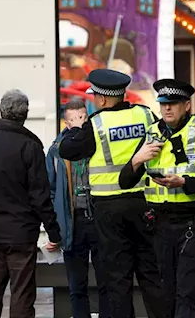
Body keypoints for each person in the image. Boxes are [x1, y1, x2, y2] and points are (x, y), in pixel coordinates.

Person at [58, 68, 168, 318]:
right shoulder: (145, 114)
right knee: (151, 275)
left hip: (109, 211)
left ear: (103, 99)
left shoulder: (95, 124)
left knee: (118, 279)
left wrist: (76, 128)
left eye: (95, 96)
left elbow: (66, 150)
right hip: (144, 203)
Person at [118, 79, 195, 318]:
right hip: (160, 225)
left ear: (186, 106)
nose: (167, 109)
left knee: (188, 292)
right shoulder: (152, 132)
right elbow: (124, 182)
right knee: (166, 294)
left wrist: (184, 183)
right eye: (163, 104)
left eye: (174, 104)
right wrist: (137, 159)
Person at [0, 89, 62, 318]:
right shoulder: (30, 146)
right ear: (25, 114)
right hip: (22, 234)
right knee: (22, 293)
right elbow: (40, 195)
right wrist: (54, 232)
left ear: (1, 111)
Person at [45, 97, 109, 318]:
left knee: (107, 282)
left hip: (99, 219)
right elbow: (50, 190)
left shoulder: (97, 142)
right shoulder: (56, 150)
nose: (78, 122)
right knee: (76, 285)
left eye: (82, 117)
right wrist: (55, 228)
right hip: (73, 222)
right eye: (73, 118)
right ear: (66, 122)